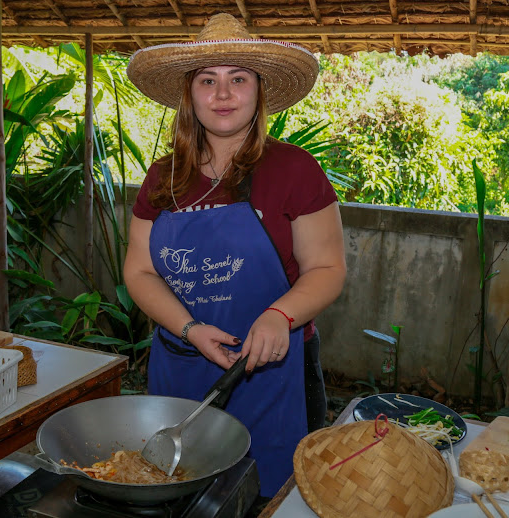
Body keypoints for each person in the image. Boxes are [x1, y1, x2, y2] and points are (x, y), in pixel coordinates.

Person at [124, 13, 347, 497]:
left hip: (274, 372)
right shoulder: (163, 177)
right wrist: (189, 328)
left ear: (258, 90)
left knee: (273, 496)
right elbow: (139, 269)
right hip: (182, 362)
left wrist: (278, 315)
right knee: (178, 493)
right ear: (190, 93)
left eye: (237, 79)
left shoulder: (294, 170)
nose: (222, 94)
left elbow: (328, 269)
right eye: (208, 80)